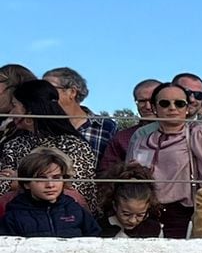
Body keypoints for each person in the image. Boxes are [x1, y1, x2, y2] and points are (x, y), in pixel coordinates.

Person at [131, 81, 202, 239]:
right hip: (144, 216)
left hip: (183, 215)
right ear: (154, 108)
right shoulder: (142, 140)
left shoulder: (198, 134)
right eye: (165, 103)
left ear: (187, 108)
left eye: (179, 104)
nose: (172, 108)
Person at [0, 78, 102, 209]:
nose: (12, 112)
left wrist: (20, 182)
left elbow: (73, 193)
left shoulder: (74, 146)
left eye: (15, 106)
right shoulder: (13, 145)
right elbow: (3, 185)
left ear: (30, 111)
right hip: (19, 218)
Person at [1, 148, 98, 237]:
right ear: (26, 184)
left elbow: (96, 243)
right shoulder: (13, 216)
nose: (50, 185)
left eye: (56, 178)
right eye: (41, 179)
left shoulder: (75, 209)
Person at [42, 67, 116, 158]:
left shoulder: (106, 126)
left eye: (49, 90)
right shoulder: (41, 126)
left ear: (72, 92)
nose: (42, 95)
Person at [97, 167, 164, 238]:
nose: (132, 220)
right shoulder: (100, 227)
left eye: (140, 215)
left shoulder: (154, 229)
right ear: (115, 206)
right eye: (126, 214)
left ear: (148, 207)